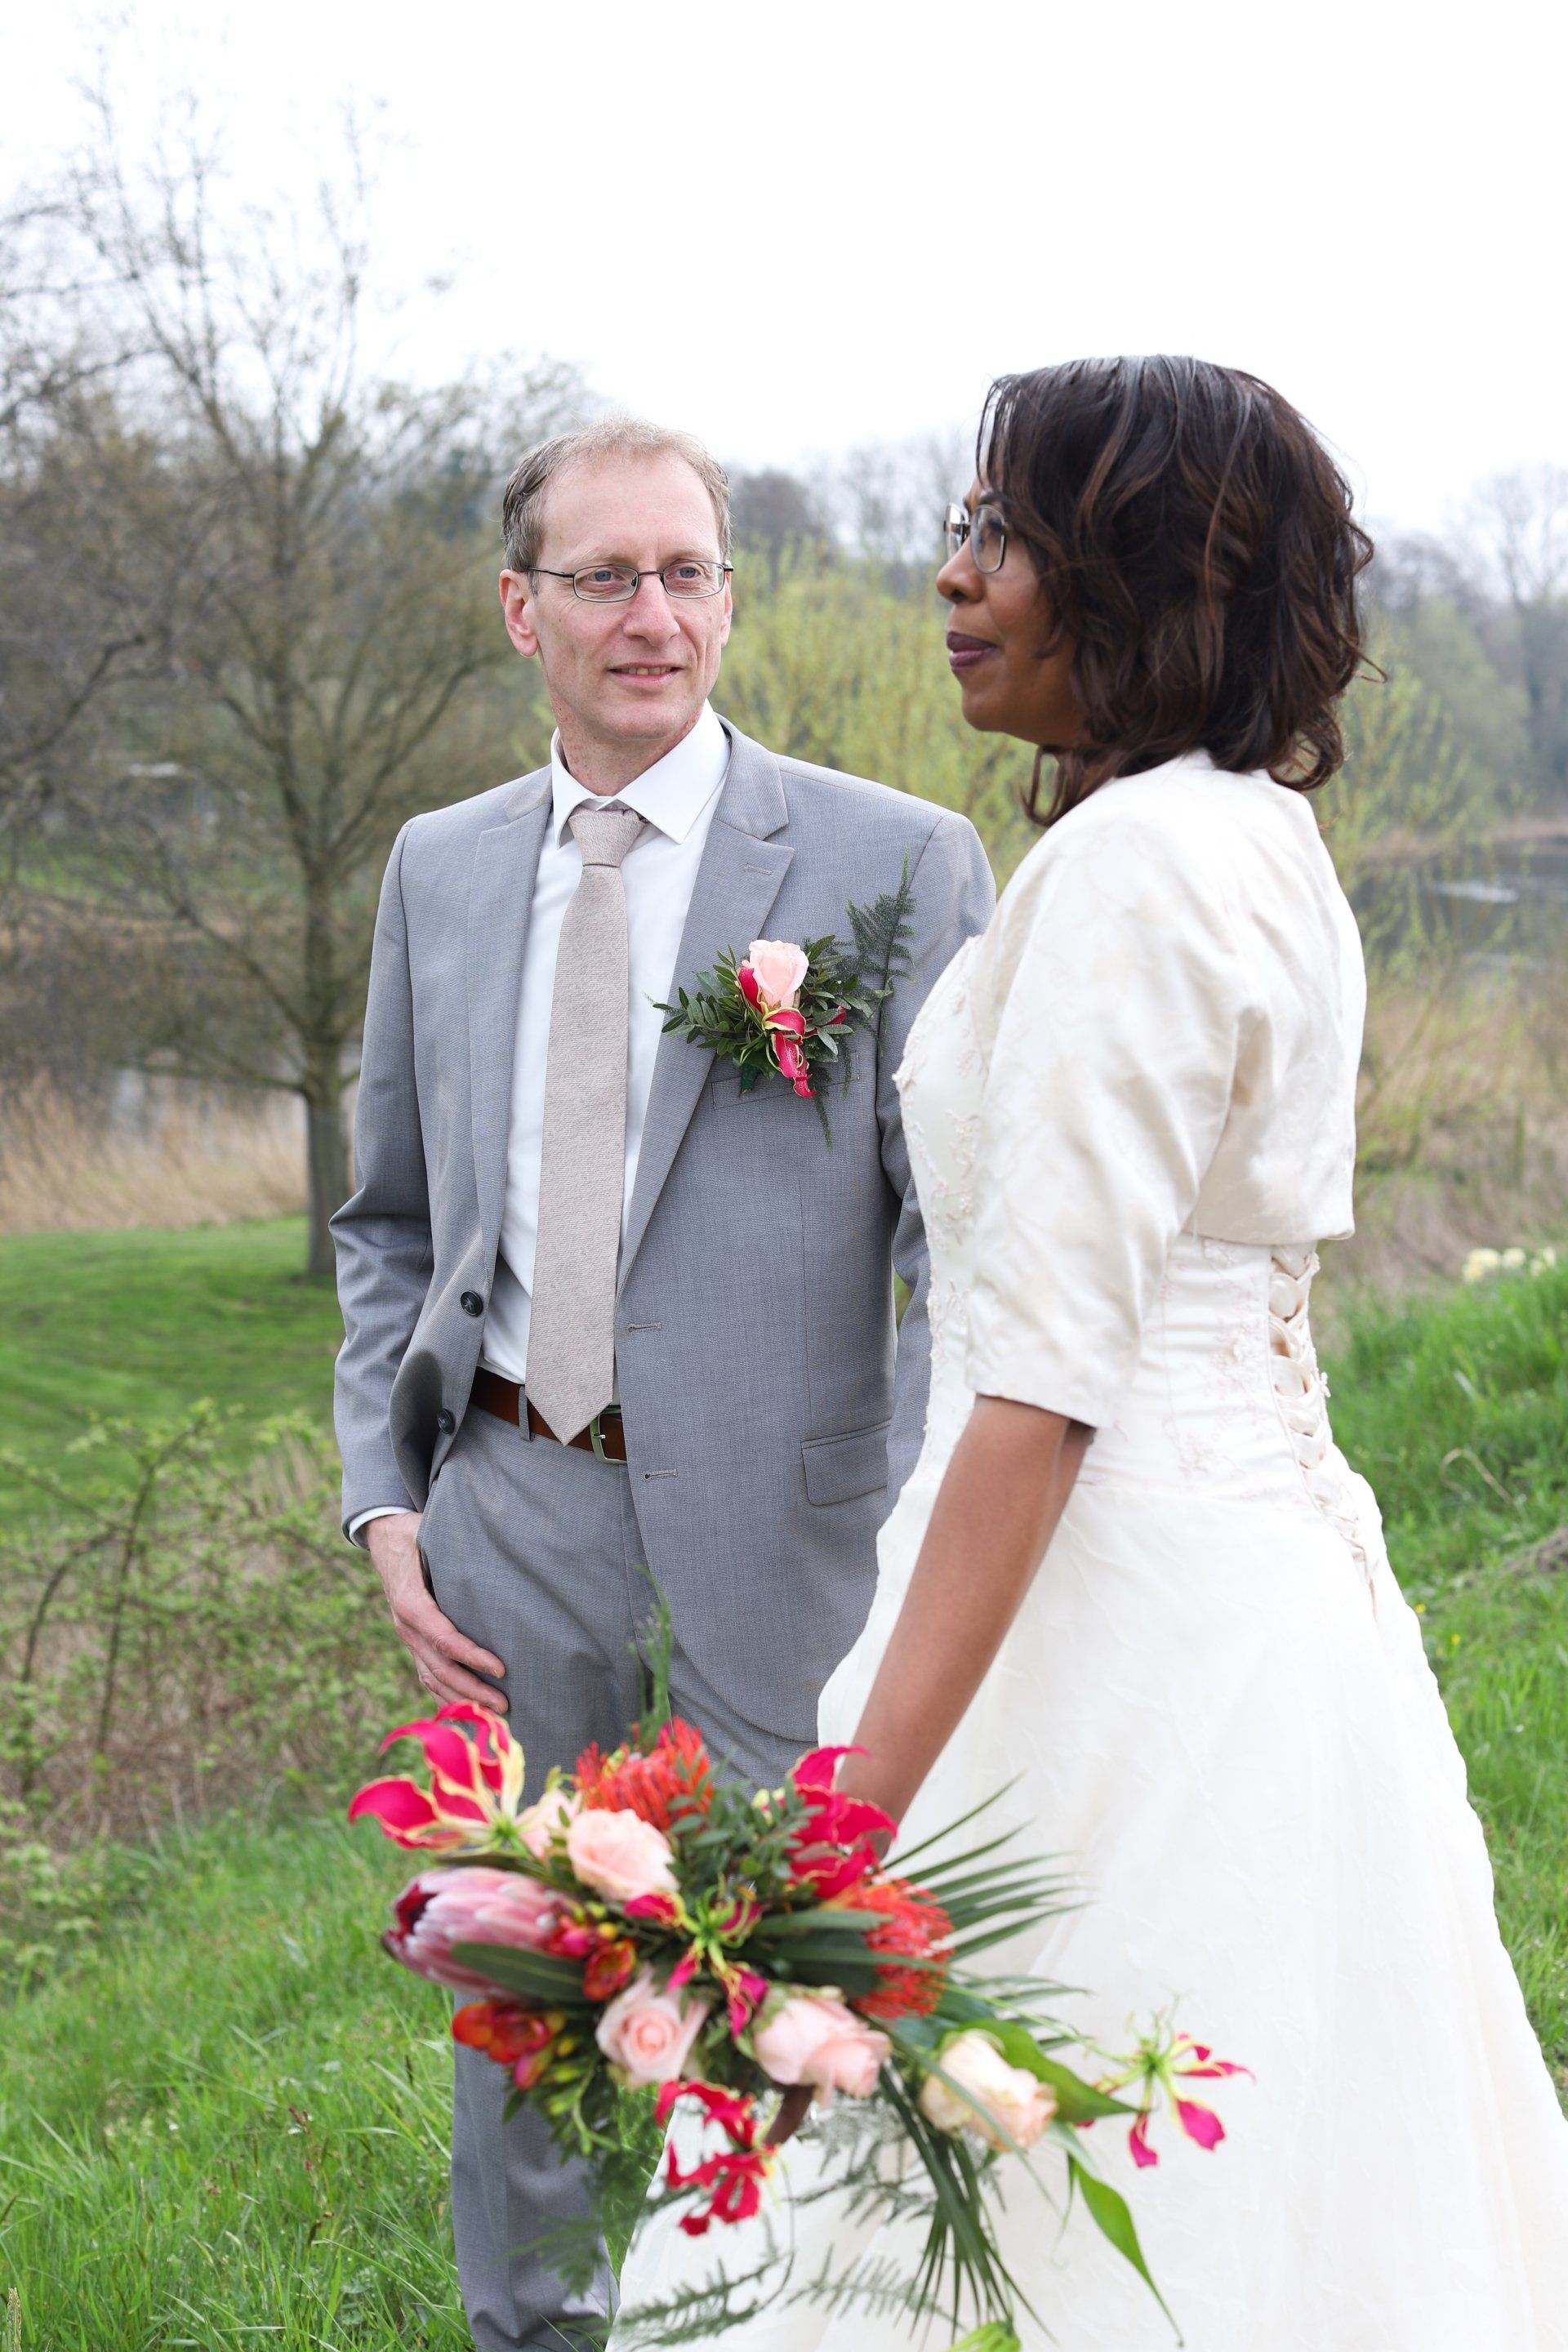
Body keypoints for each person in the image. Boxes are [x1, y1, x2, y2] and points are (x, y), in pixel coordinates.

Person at [621, 360, 1568, 2349]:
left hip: (1113, 1626)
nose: (954, 576)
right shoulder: (1256, 834)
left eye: (1006, 533)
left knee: (1058, 2205)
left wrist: (834, 1851)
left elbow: (1049, 1391)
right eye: (962, 528)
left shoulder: (1140, 867)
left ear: (1137, 571)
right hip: (1256, 1597)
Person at [330, 415, 993, 2352]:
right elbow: (387, 1224)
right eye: (607, 577)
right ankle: (534, 2331)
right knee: (526, 1985)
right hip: (510, 1513)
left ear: (728, 596)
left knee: (793, 2005)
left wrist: (916, 1512)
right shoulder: (442, 867)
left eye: (688, 572)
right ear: (519, 608)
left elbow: (967, 1246)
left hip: (793, 1536)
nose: (654, 617)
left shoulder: (891, 860)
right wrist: (389, 1499)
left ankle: (785, 2321)